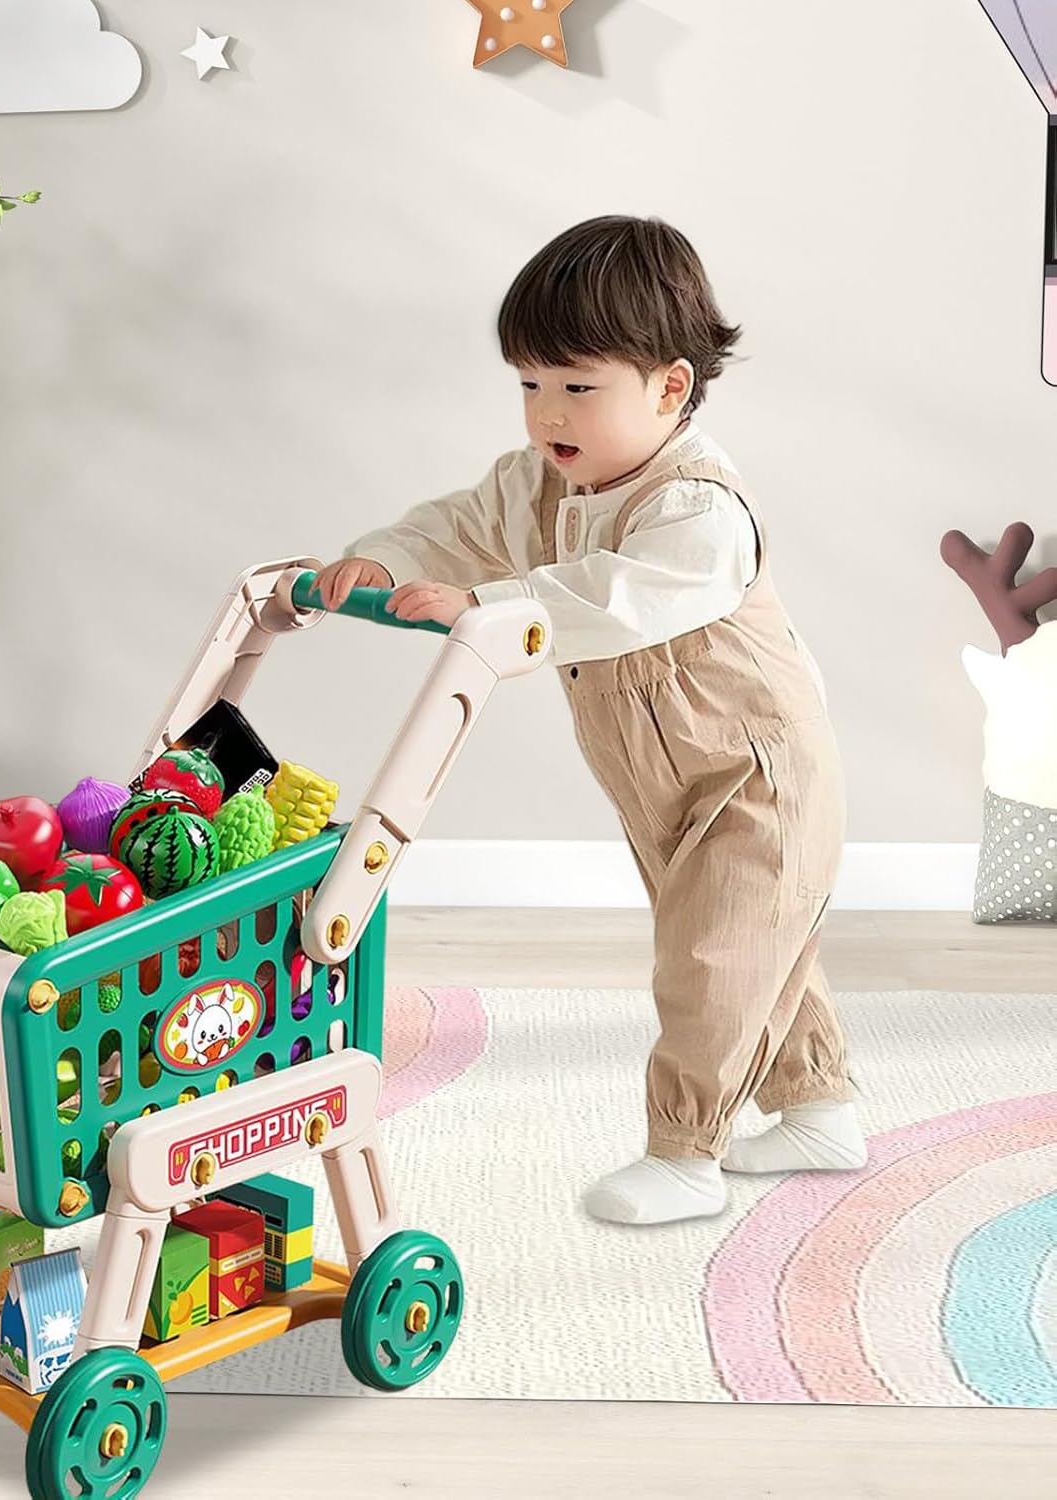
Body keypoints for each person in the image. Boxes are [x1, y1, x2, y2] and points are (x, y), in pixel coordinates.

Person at [315, 216, 867, 1225]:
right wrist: (386, 559)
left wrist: (491, 605)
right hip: (663, 781)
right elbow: (454, 527)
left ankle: (685, 1154)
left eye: (578, 387)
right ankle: (820, 1108)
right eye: (530, 383)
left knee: (714, 963)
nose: (546, 413)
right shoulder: (539, 483)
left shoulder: (697, 509)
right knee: (756, 948)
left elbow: (620, 596)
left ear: (669, 388)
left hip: (759, 774)